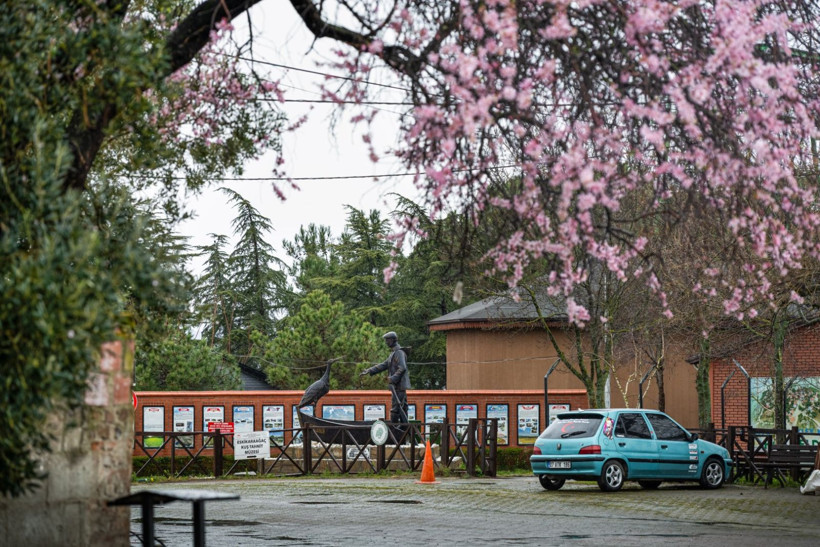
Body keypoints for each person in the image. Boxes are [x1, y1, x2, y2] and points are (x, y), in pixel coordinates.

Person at [361, 331, 410, 423]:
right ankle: (404, 428)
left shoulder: (399, 352)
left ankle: (395, 429)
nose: (386, 342)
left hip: (399, 386)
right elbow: (384, 365)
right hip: (397, 386)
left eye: (387, 340)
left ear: (393, 340)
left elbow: (402, 368)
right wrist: (370, 370)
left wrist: (393, 379)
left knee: (396, 409)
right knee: (402, 408)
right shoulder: (394, 353)